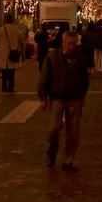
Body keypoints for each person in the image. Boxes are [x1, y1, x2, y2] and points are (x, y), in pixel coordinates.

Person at [37, 30, 89, 172]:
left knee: (73, 133)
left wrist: (83, 94)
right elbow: (44, 79)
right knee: (54, 129)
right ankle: (52, 153)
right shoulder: (52, 58)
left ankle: (68, 161)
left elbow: (85, 78)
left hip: (74, 99)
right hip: (57, 98)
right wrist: (43, 98)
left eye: (74, 44)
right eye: (70, 44)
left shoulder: (80, 58)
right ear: (63, 43)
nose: (72, 47)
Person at [0, 14, 22, 92]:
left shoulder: (1, 29)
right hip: (12, 51)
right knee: (11, 71)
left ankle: (4, 86)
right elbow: (20, 36)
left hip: (3, 51)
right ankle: (10, 86)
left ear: (5, 20)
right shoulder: (15, 29)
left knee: (4, 71)